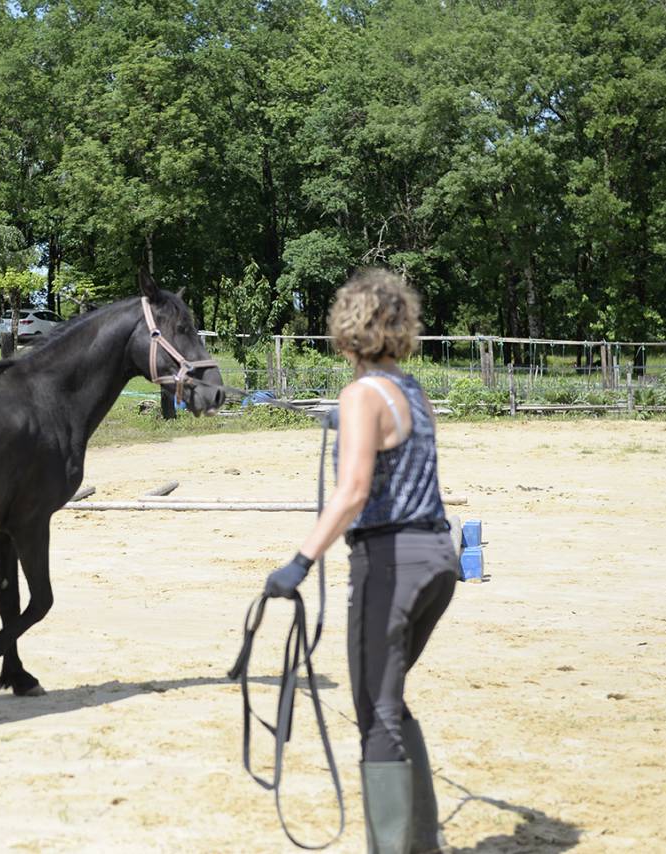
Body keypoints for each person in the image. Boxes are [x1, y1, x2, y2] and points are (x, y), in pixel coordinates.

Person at [264, 268, 457, 854]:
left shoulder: (359, 395)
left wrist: (300, 561)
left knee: (375, 712)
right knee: (390, 700)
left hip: (391, 563)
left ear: (346, 331)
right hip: (439, 561)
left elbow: (352, 492)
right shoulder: (412, 390)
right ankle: (420, 844)